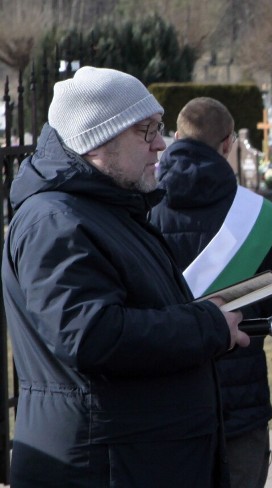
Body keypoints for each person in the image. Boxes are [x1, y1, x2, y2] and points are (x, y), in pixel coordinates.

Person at [1, 67, 250, 486]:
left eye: (159, 128)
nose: (160, 144)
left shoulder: (109, 209)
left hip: (134, 458)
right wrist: (206, 326)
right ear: (97, 139)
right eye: (145, 131)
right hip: (104, 466)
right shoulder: (56, 221)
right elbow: (92, 334)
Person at [150, 97, 272, 488]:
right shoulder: (260, 217)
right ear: (228, 144)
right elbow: (267, 303)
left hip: (165, 392)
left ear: (175, 137)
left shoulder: (142, 207)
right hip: (239, 398)